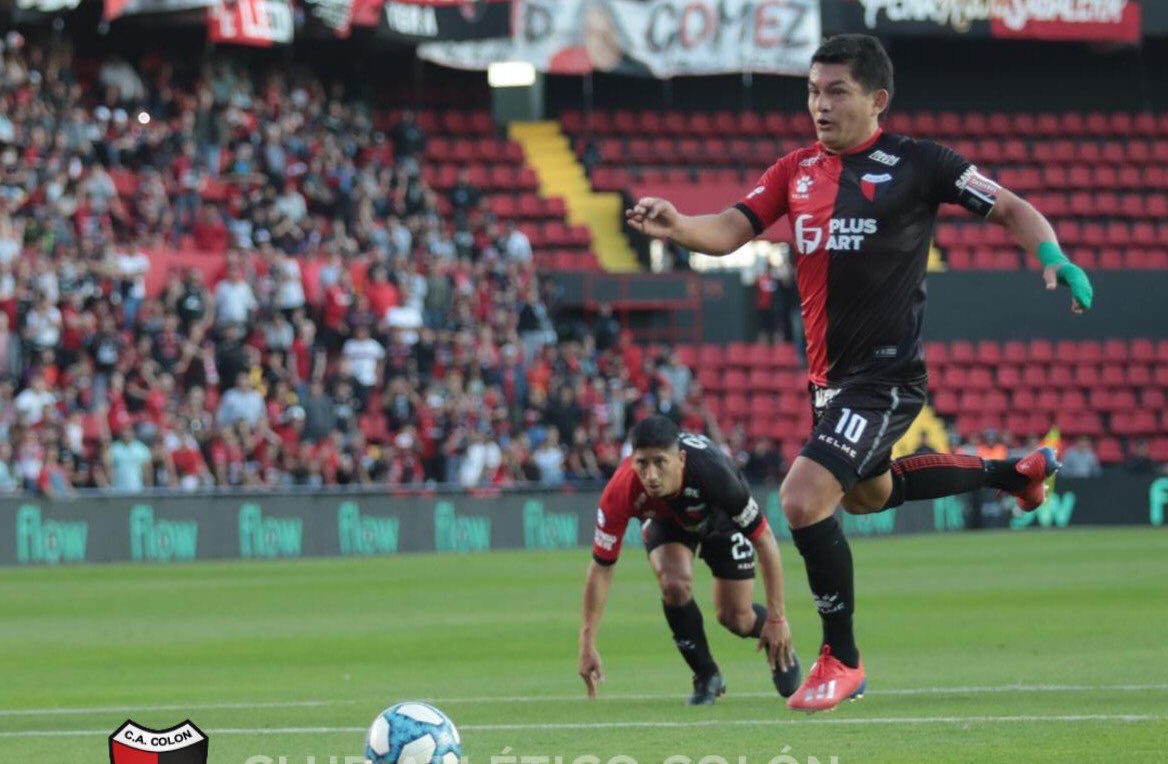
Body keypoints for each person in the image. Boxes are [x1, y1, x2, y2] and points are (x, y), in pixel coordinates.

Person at [625, 35, 1093, 712]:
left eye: (836, 92)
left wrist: (1054, 257)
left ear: (877, 100)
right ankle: (1012, 475)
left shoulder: (921, 163)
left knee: (802, 498)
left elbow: (1011, 207)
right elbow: (730, 229)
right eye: (813, 91)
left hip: (887, 376)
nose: (820, 104)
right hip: (830, 385)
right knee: (869, 496)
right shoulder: (794, 170)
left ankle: (841, 657)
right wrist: (676, 225)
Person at [578, 416, 800, 705]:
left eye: (660, 462)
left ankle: (776, 638)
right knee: (673, 585)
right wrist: (587, 643)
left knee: (735, 617)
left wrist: (777, 618)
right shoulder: (621, 490)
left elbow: (765, 541)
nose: (651, 475)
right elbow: (601, 568)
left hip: (720, 517)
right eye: (642, 463)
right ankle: (706, 675)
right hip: (667, 521)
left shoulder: (715, 474)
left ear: (680, 459)